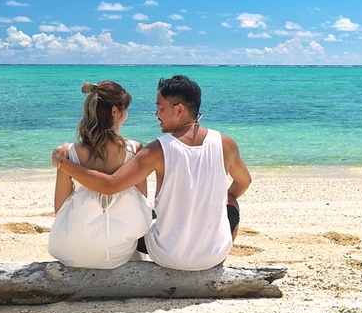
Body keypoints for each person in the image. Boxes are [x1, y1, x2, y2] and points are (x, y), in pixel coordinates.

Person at [52, 75, 251, 272]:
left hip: (166, 255)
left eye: (160, 108)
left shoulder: (158, 149)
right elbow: (244, 181)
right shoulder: (226, 144)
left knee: (146, 216)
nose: (156, 114)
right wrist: (221, 198)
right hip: (212, 256)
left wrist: (63, 164)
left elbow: (111, 185)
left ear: (179, 110)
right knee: (231, 201)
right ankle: (219, 256)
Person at [47, 81, 152, 269]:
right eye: (126, 110)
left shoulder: (69, 154)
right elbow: (141, 201)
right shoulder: (134, 150)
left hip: (75, 253)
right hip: (119, 254)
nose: (126, 115)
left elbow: (60, 209)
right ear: (115, 111)